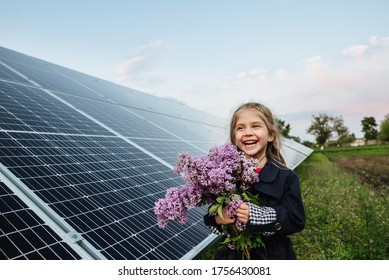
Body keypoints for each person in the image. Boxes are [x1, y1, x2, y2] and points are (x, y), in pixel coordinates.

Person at [203, 102, 306, 260]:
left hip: (272, 254)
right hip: (232, 255)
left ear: (271, 135)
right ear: (234, 138)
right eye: (240, 128)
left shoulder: (286, 177)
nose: (247, 133)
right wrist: (218, 217)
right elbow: (211, 216)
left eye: (255, 126)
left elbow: (296, 220)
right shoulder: (226, 175)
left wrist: (257, 215)